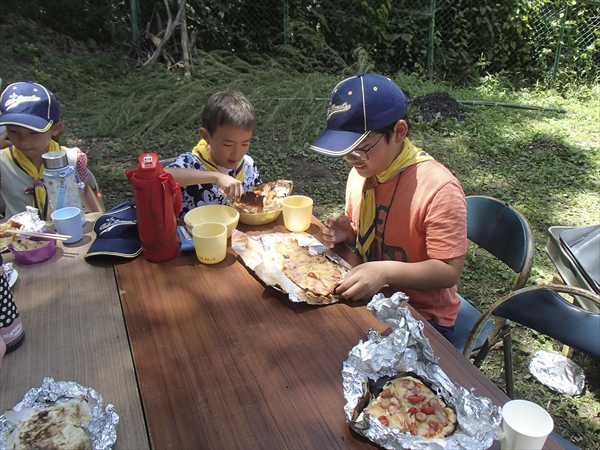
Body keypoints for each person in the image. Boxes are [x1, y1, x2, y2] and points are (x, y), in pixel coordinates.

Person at [310, 73, 467, 336]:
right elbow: (369, 236)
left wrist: (384, 271)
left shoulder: (438, 189)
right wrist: (347, 233)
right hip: (371, 295)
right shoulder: (362, 173)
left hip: (421, 316)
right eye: (345, 151)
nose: (351, 159)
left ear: (398, 132)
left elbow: (448, 270)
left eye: (361, 148)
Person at [0, 81, 103, 221]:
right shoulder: (2, 163)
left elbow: (86, 194)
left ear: (55, 128)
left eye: (33, 132)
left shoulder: (72, 159)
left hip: (67, 235)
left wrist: (102, 224)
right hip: (18, 239)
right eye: (13, 131)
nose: (23, 141)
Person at [164, 91, 262, 219]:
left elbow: (259, 198)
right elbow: (162, 177)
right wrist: (216, 177)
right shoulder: (191, 163)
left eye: (244, 144)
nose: (237, 153)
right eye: (228, 144)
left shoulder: (247, 165)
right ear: (206, 136)